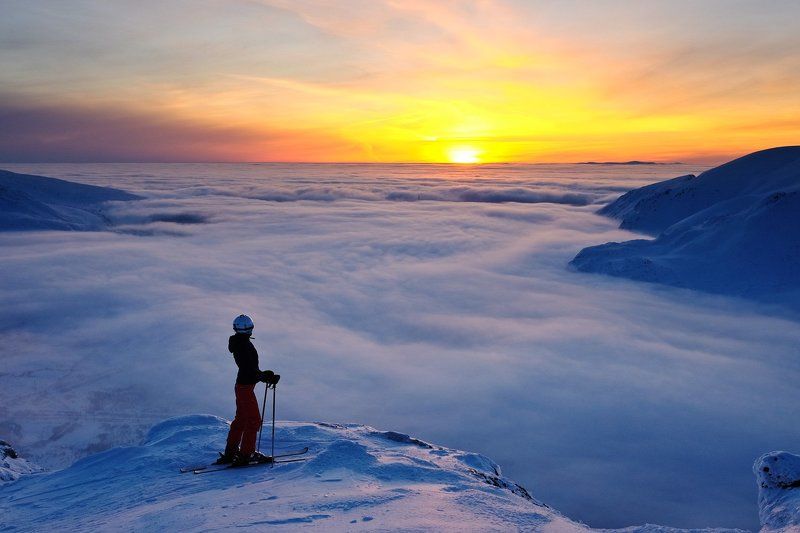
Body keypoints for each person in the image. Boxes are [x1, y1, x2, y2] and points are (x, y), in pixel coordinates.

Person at [217, 314, 280, 466]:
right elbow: (249, 369)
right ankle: (246, 454)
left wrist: (264, 375)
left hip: (242, 385)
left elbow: (249, 368)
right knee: (253, 420)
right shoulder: (244, 345)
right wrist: (264, 376)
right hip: (245, 387)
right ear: (251, 329)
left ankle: (231, 452)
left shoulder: (239, 343)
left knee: (242, 419)